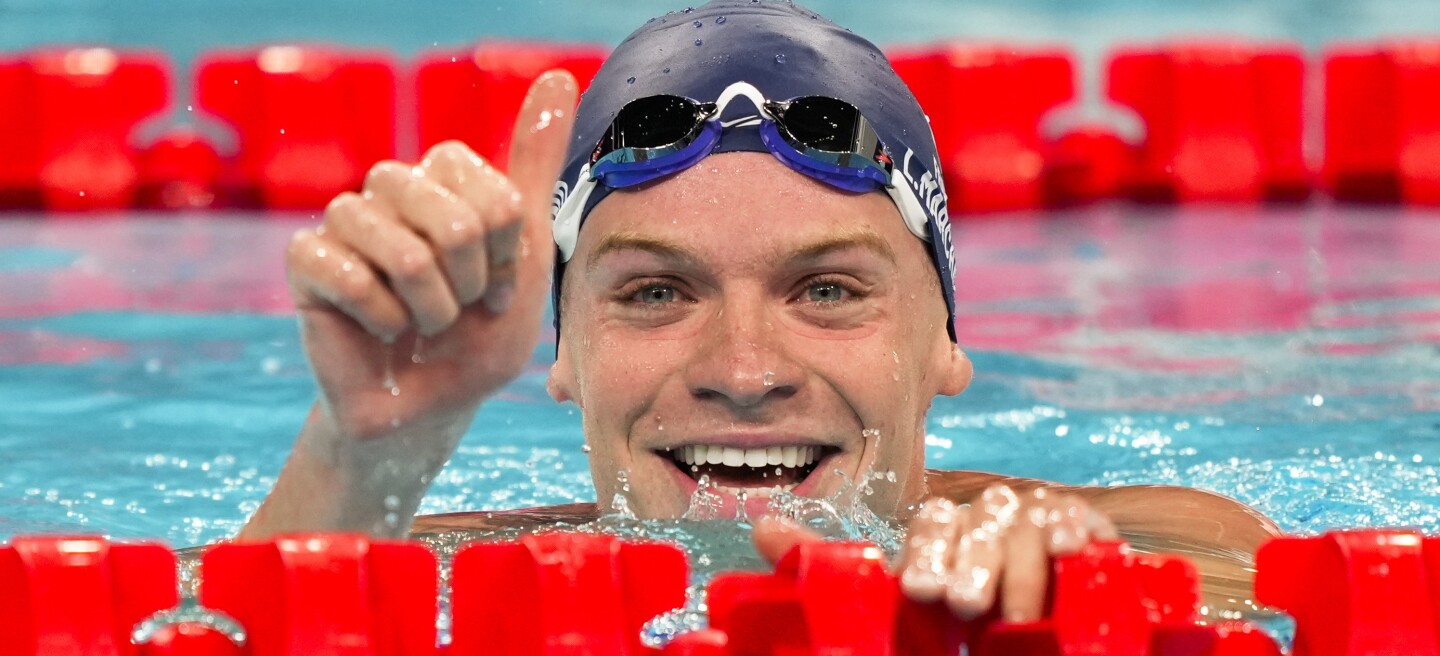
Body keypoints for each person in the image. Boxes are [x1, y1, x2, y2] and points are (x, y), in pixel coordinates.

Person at [241, 0, 1279, 618]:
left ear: (946, 346)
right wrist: (369, 448)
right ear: (565, 357)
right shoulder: (452, 568)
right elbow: (172, 635)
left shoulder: (1150, 540)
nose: (744, 371)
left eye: (827, 290)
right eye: (656, 292)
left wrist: (1096, 605)